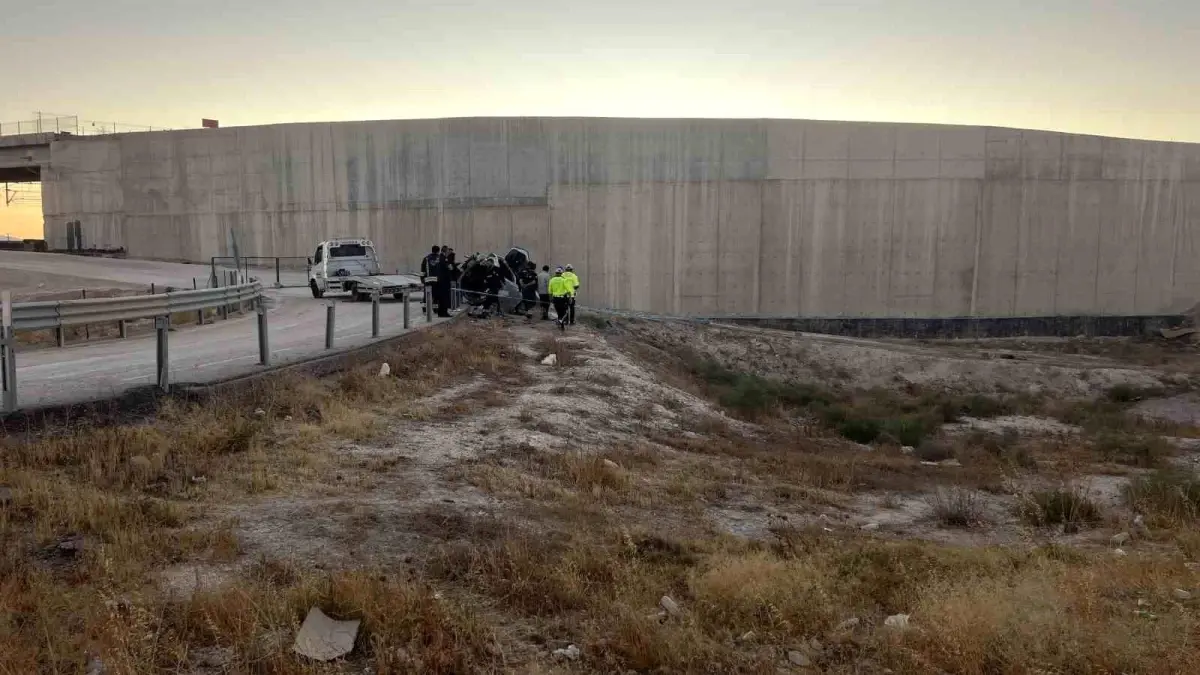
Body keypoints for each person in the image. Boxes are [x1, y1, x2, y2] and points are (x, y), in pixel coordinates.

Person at [420, 245, 441, 313]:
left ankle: (425, 308)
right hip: (436, 280)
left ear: (432, 250)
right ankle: (435, 309)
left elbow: (422, 270)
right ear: (438, 251)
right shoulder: (440, 258)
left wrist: (422, 279)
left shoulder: (426, 258)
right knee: (436, 295)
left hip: (428, 280)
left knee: (426, 294)